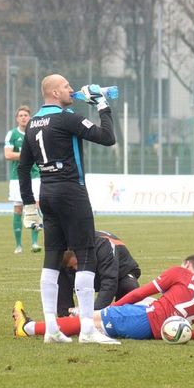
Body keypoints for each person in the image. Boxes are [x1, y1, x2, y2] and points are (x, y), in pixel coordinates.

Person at [18, 75, 117, 344]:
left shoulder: (32, 124)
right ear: (53, 92)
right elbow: (107, 137)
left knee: (52, 256)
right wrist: (102, 104)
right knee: (86, 255)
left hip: (47, 194)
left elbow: (23, 167)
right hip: (71, 192)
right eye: (66, 86)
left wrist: (29, 204)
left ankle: (52, 328)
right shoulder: (66, 118)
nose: (71, 90)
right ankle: (87, 330)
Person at [12, 254, 194, 343]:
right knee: (93, 321)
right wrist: (178, 332)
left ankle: (27, 328)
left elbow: (140, 293)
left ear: (188, 265)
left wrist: (113, 307)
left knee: (87, 323)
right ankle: (81, 312)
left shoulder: (180, 272)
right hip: (155, 327)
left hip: (144, 320)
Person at [57, 230, 142, 316]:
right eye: (71, 267)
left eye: (77, 264)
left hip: (120, 274)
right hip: (92, 270)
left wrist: (95, 311)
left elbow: (109, 281)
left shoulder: (103, 246)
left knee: (129, 286)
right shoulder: (61, 249)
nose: (76, 268)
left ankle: (122, 316)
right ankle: (65, 318)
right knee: (59, 277)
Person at [4, 105, 42, 254]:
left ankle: (35, 243)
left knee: (36, 207)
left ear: (30, 117)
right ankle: (18, 245)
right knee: (18, 209)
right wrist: (27, 155)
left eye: (26, 115)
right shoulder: (12, 134)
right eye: (21, 115)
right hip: (17, 177)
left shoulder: (35, 132)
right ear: (17, 118)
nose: (23, 118)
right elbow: (8, 155)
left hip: (35, 176)